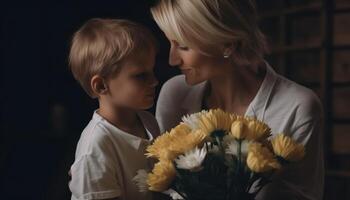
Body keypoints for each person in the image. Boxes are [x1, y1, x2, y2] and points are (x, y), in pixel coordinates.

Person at [151, 0, 324, 199]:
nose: (173, 60)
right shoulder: (174, 93)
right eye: (170, 43)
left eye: (183, 46)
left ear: (227, 44)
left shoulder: (297, 107)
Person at [68, 18, 160, 200]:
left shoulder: (148, 121)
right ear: (101, 86)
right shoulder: (95, 148)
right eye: (141, 76)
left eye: (152, 71)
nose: (155, 81)